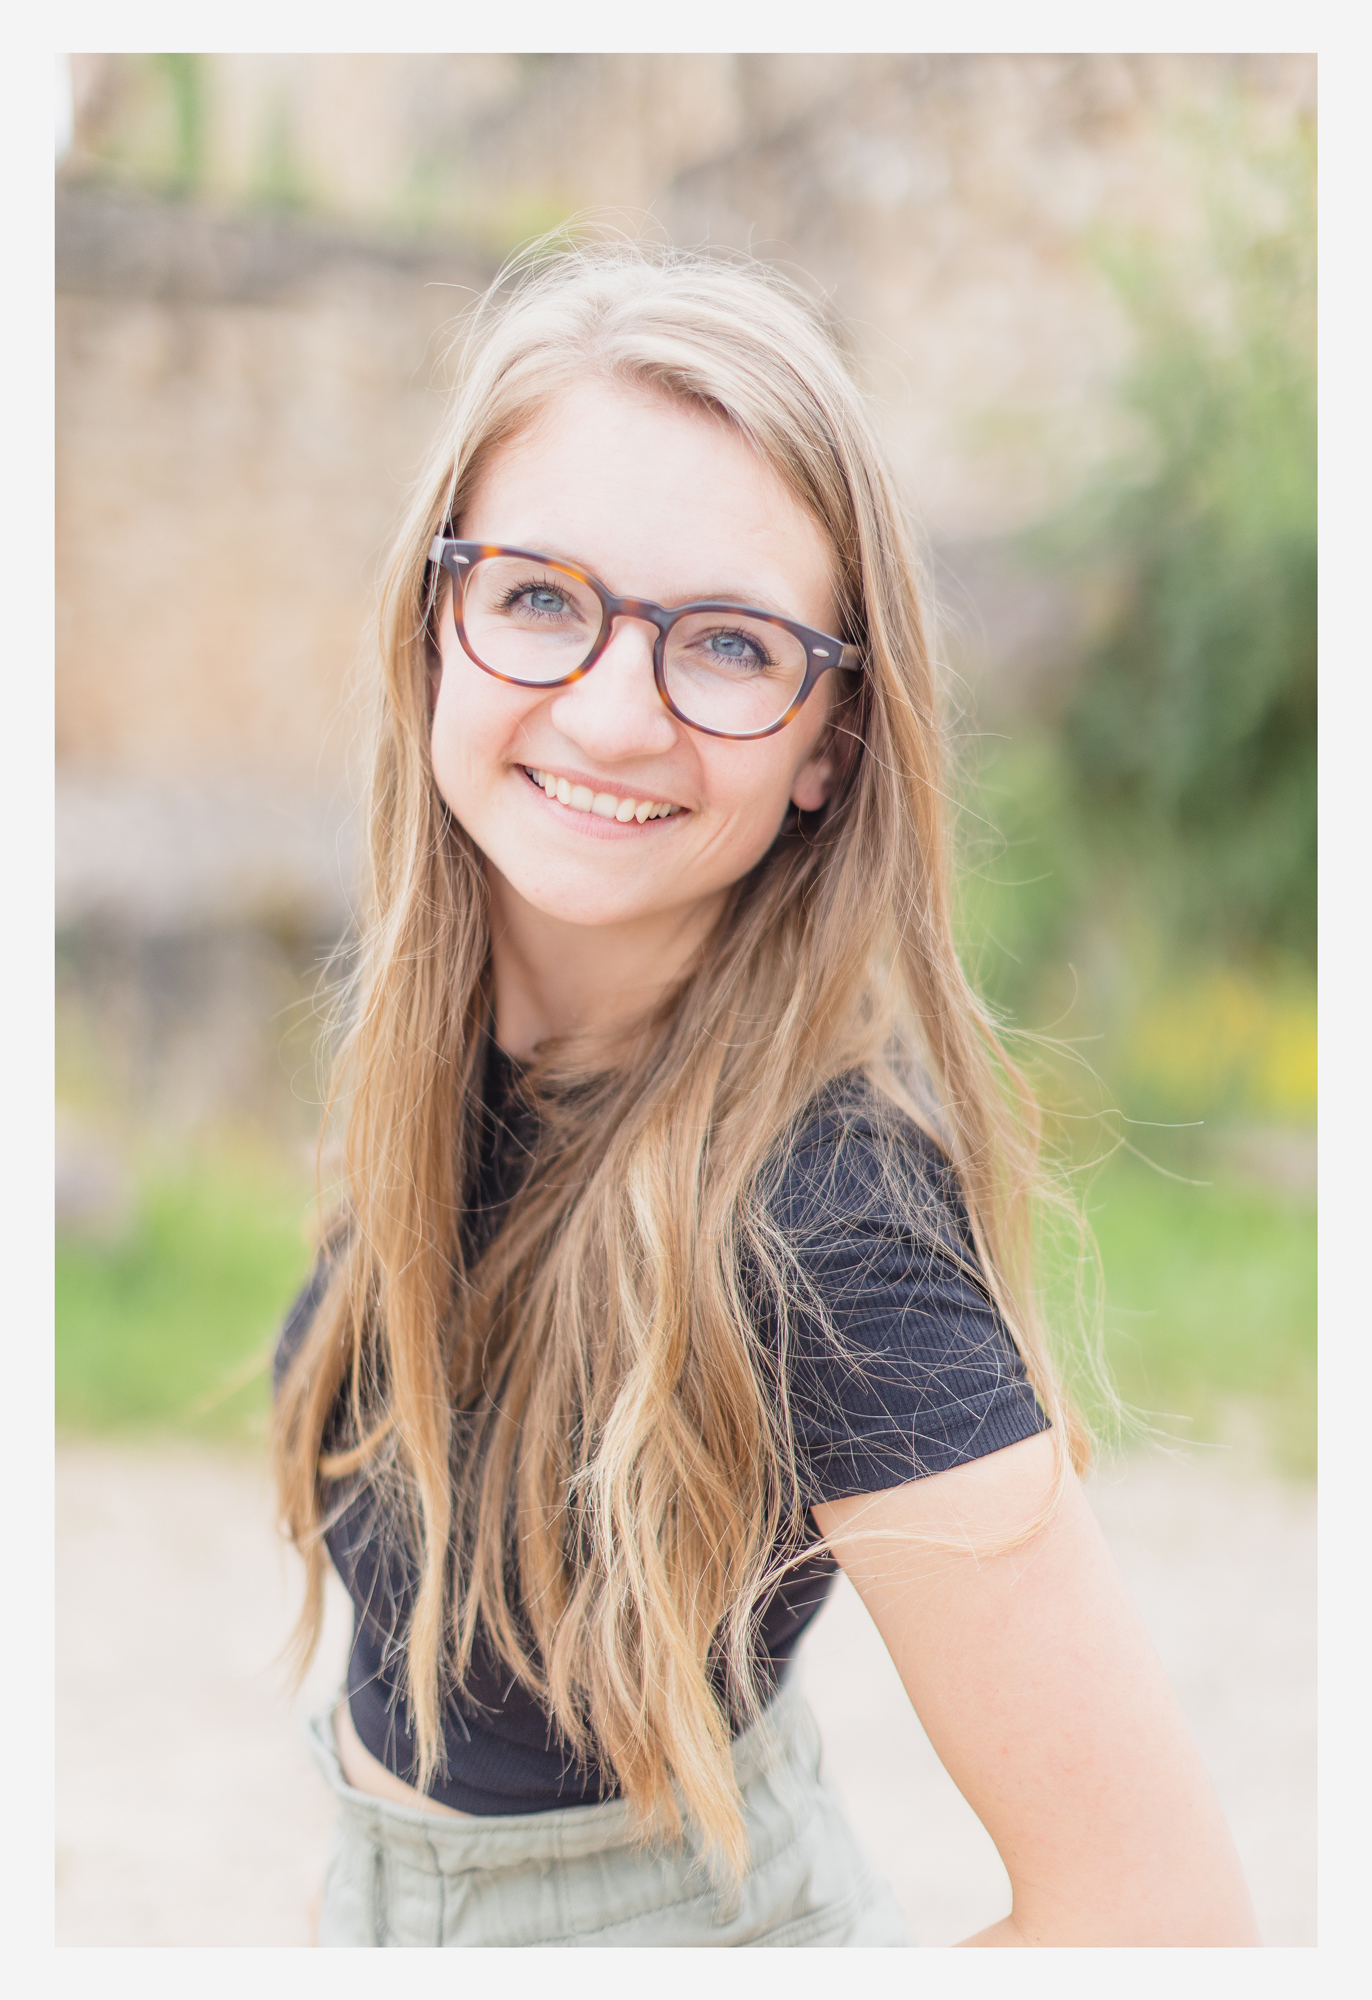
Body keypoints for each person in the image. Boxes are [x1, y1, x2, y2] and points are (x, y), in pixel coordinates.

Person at [272, 240, 1259, 1948]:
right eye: (536, 597)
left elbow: (1162, 1924)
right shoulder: (438, 1035)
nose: (611, 709)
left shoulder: (827, 1225)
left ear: (830, 740)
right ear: (437, 616)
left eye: (728, 645)